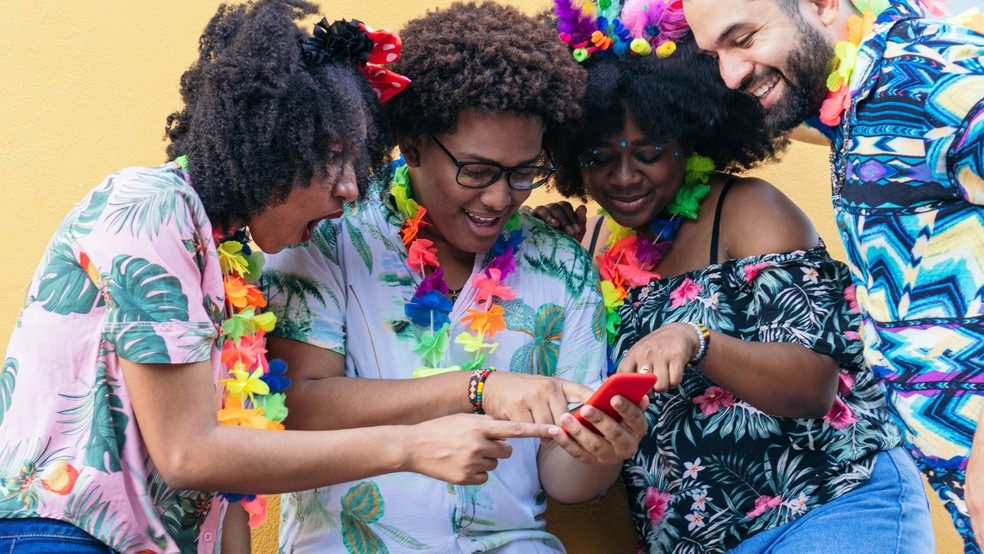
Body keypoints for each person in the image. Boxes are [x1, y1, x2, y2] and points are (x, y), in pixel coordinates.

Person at [0, 2, 565, 552]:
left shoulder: (225, 256)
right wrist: (412, 445)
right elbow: (188, 454)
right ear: (271, 146)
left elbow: (223, 470)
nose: (350, 189)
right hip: (60, 534)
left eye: (359, 164)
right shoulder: (151, 205)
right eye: (335, 159)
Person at [531, 1, 934, 550]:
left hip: (830, 506)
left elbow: (814, 386)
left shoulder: (748, 210)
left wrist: (696, 340)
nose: (623, 177)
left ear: (690, 137)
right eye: (599, 157)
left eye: (649, 153)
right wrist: (545, 250)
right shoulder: (593, 244)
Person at [260, 2, 648, 551]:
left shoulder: (563, 268)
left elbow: (565, 482)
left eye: (522, 173)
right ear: (413, 144)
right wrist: (478, 389)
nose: (498, 198)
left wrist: (602, 451)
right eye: (478, 170)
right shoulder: (329, 229)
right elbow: (297, 406)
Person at [681, 0, 984, 549]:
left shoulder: (931, 71)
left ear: (821, 4)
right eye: (713, 55)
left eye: (743, 38)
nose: (729, 75)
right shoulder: (857, 101)